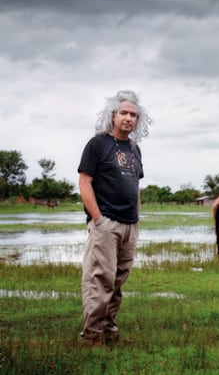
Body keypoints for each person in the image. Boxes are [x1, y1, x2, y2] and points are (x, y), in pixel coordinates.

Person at [78, 90, 151, 346]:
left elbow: (135, 186)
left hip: (130, 225)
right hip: (106, 223)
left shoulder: (135, 149)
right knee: (100, 279)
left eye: (133, 114)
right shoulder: (98, 144)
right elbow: (85, 182)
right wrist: (97, 219)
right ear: (113, 116)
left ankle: (109, 332)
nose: (129, 118)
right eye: (124, 113)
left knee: (118, 282)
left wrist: (137, 218)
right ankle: (92, 336)